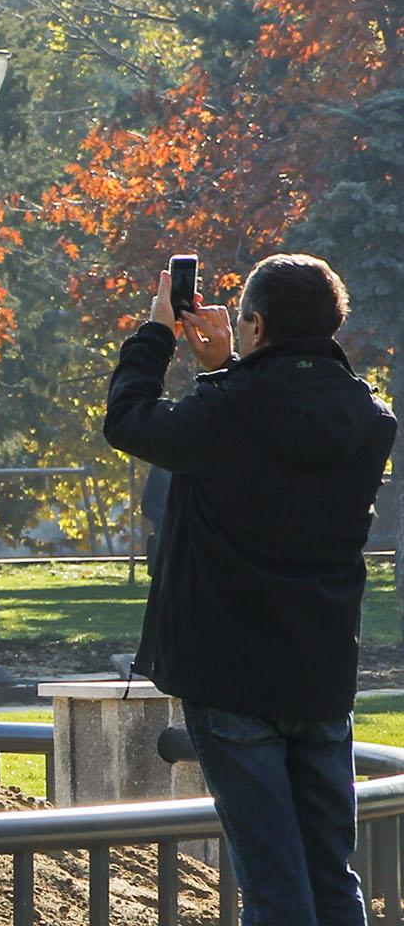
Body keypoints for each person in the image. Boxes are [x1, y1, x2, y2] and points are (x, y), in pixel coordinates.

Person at [105, 253, 394, 926]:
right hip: (320, 675)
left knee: (272, 884)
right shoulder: (368, 419)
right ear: (333, 324)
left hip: (231, 676)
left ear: (255, 325)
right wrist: (227, 370)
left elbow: (129, 420)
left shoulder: (222, 409)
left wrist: (157, 334)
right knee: (331, 878)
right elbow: (279, 430)